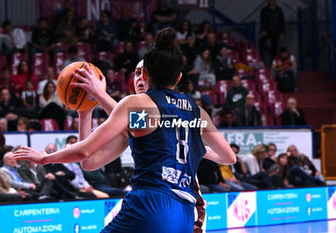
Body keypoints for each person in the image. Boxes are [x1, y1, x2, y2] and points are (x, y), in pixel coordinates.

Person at [14, 27, 236, 233]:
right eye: (135, 73)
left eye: (143, 72)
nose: (139, 78)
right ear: (177, 77)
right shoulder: (196, 112)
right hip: (185, 214)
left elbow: (89, 147)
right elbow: (90, 162)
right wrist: (85, 112)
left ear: (150, 74)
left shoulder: (138, 106)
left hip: (152, 204)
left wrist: (45, 157)